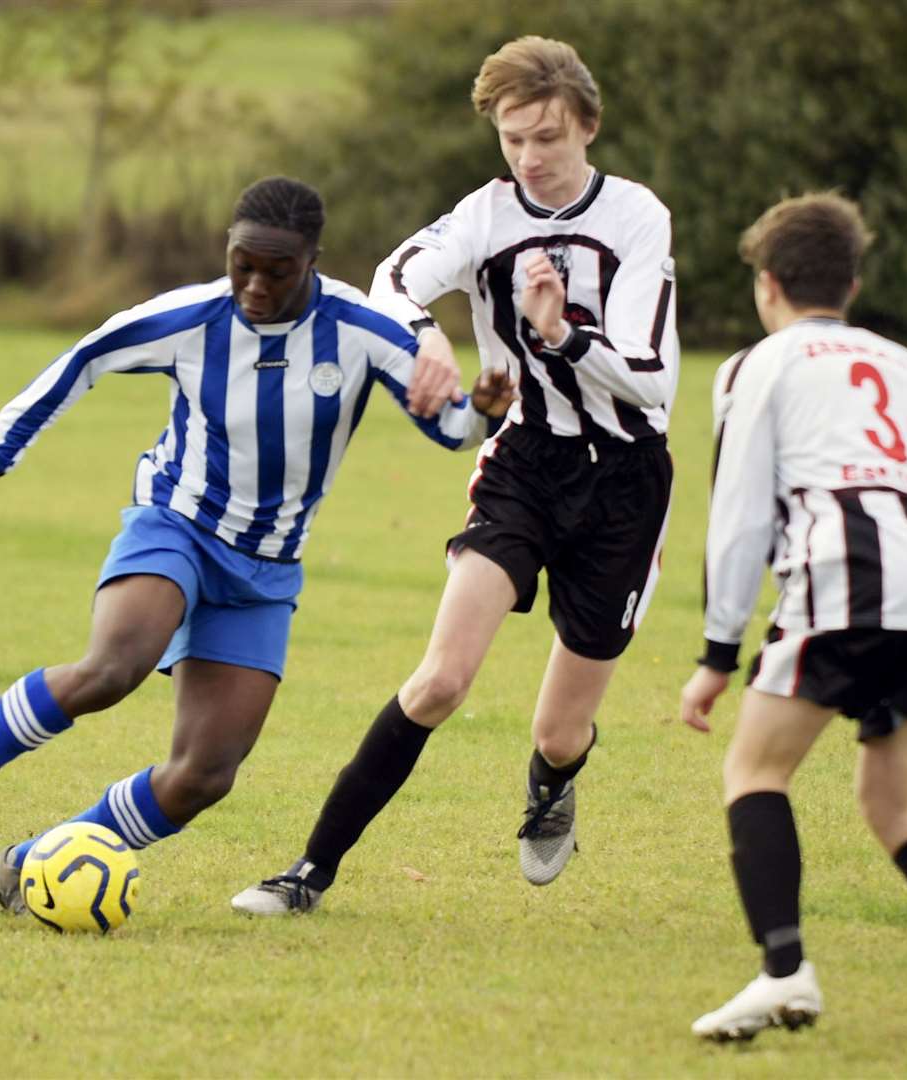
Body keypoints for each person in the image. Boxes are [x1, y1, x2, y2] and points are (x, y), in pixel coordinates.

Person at [0, 176, 514, 910]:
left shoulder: (361, 330)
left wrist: (480, 412)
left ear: (313, 262)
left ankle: (31, 861)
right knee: (112, 668)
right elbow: (88, 356)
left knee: (205, 774)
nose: (255, 285)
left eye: (277, 270)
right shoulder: (193, 317)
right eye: (242, 265)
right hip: (175, 524)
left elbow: (448, 427)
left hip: (264, 570)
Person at [232, 36, 679, 915]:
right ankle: (308, 873)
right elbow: (391, 279)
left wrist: (556, 335)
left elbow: (652, 375)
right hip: (526, 463)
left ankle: (551, 784)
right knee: (439, 680)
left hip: (625, 482)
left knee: (559, 729)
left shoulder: (635, 217)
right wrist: (425, 335)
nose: (529, 158)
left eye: (547, 137)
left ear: (587, 125)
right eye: (513, 138)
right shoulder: (486, 213)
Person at [678, 192, 907, 1049]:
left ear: (766, 285)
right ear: (851, 282)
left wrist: (717, 651)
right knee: (892, 799)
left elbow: (738, 512)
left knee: (754, 771)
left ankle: (781, 974)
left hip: (848, 573)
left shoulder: (754, 367)